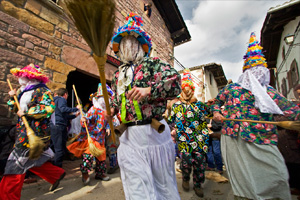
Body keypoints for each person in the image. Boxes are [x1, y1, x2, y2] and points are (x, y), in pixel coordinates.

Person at [212, 32, 300, 200]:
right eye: (254, 70)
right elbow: (216, 102)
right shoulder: (232, 89)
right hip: (233, 137)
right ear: (246, 72)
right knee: (242, 179)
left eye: (261, 70)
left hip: (262, 138)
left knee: (277, 174)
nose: (258, 74)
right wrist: (216, 113)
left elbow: (292, 110)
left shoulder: (269, 93)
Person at [107, 13, 181, 200]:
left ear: (140, 45)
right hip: (129, 138)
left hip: (153, 133)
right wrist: (113, 109)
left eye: (131, 42)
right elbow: (118, 101)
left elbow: (175, 83)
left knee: (162, 185)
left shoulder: (154, 64)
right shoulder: (118, 75)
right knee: (136, 187)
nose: (127, 47)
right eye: (123, 43)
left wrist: (149, 90)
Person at [0, 64, 66, 200]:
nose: (20, 78)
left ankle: (7, 196)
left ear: (30, 77)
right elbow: (15, 108)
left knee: (15, 166)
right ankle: (56, 174)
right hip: (23, 132)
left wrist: (28, 112)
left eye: (23, 76)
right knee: (30, 160)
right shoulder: (23, 91)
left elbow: (49, 108)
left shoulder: (42, 91)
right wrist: (13, 98)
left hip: (35, 134)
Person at [169, 69, 211, 198]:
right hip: (184, 139)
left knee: (199, 164)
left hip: (199, 139)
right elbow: (170, 120)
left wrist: (212, 107)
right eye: (184, 89)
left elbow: (210, 115)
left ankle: (198, 185)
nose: (187, 92)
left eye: (189, 89)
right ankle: (186, 179)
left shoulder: (200, 105)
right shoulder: (176, 107)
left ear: (192, 91)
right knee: (186, 162)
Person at [68, 83, 112, 185]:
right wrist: (85, 120)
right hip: (92, 137)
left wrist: (109, 128)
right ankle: (85, 173)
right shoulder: (94, 109)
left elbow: (108, 122)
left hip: (101, 138)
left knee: (101, 157)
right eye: (103, 97)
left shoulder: (107, 111)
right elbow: (87, 119)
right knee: (88, 156)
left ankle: (100, 173)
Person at [50, 88, 80, 167]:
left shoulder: (53, 101)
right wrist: (76, 108)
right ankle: (57, 168)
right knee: (60, 148)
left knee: (55, 146)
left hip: (54, 125)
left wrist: (74, 115)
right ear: (65, 94)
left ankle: (53, 164)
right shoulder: (61, 99)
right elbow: (63, 109)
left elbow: (65, 116)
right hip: (59, 126)